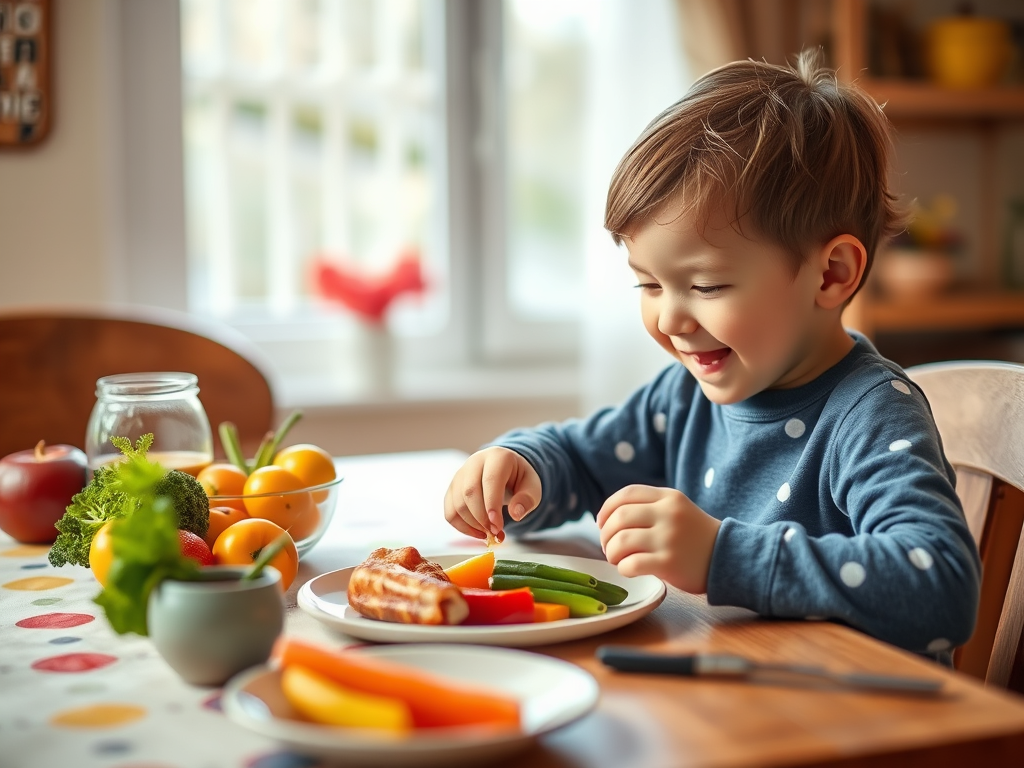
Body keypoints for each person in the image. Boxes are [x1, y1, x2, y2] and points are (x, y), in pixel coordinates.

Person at [443, 50, 980, 660]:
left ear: (831, 274)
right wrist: (519, 467)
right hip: (728, 692)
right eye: (648, 284)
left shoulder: (871, 413)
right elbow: (581, 461)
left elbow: (941, 585)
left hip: (851, 706)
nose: (670, 320)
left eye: (706, 286)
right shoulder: (683, 397)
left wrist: (721, 555)